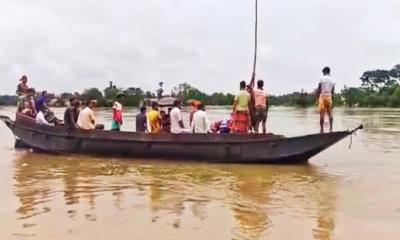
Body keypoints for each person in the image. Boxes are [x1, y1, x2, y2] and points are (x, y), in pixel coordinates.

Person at [317, 66, 335, 133]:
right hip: (329, 97)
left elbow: (319, 89)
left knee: (322, 114)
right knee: (330, 113)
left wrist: (317, 97)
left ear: (324, 72)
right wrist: (332, 100)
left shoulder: (322, 78)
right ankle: (331, 129)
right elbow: (332, 91)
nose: (323, 74)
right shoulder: (333, 80)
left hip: (322, 96)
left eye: (323, 72)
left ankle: (322, 130)